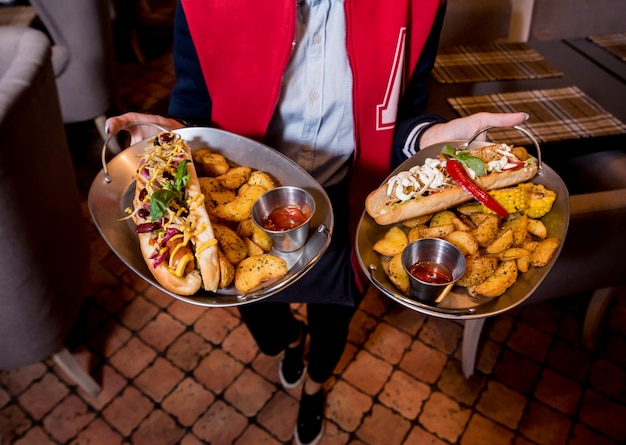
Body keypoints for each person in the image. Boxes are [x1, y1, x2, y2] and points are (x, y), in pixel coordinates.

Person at [106, 1, 528, 444]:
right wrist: (174, 132)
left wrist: (429, 138)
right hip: (243, 222)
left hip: (347, 209)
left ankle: (314, 387)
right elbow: (193, 104)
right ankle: (289, 341)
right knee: (265, 327)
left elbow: (403, 111)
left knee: (333, 323)